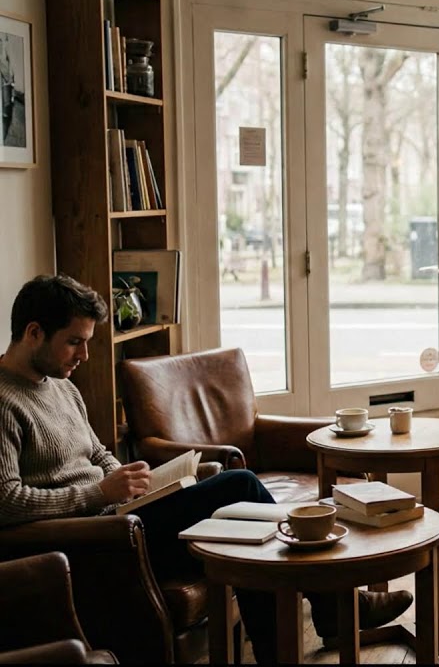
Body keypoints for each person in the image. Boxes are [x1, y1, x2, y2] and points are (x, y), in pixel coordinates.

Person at [0, 274, 412, 663]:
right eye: (74, 342)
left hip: (122, 516)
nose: (84, 355)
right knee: (239, 485)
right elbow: (7, 502)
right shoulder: (4, 401)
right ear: (34, 332)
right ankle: (338, 605)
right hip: (95, 541)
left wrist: (136, 479)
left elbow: (97, 454)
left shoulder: (63, 387)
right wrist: (100, 493)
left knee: (251, 529)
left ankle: (297, 640)